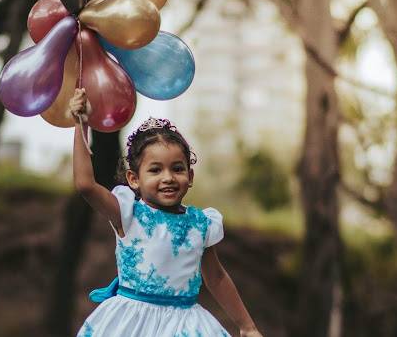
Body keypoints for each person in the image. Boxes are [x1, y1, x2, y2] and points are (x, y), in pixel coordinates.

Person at [69, 88, 262, 337]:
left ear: (190, 176)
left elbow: (216, 276)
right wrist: (81, 124)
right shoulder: (127, 214)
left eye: (178, 168)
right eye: (155, 170)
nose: (168, 178)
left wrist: (247, 326)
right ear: (134, 179)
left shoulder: (201, 224)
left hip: (186, 325)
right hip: (131, 325)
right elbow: (85, 184)